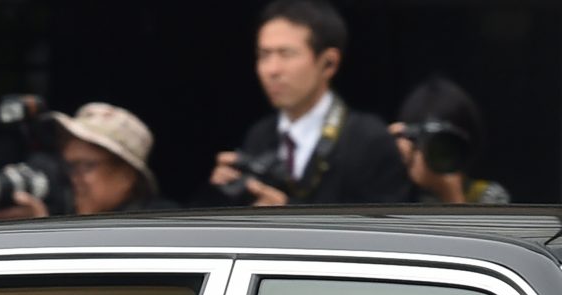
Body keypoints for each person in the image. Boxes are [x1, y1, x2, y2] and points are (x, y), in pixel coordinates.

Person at [209, 0, 410, 206]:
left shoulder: (370, 140)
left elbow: (383, 233)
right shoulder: (259, 136)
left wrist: (286, 213)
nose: (272, 70)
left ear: (328, 63)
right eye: (264, 55)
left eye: (286, 54)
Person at [0, 102, 174, 219]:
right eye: (70, 166)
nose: (73, 178)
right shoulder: (71, 215)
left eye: (86, 166)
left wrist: (41, 232)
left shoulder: (159, 225)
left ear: (127, 176)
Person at [389, 76, 509, 204]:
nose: (436, 150)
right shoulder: (393, 191)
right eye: (426, 138)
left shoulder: (487, 196)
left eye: (446, 142)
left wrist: (451, 194)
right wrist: (383, 154)